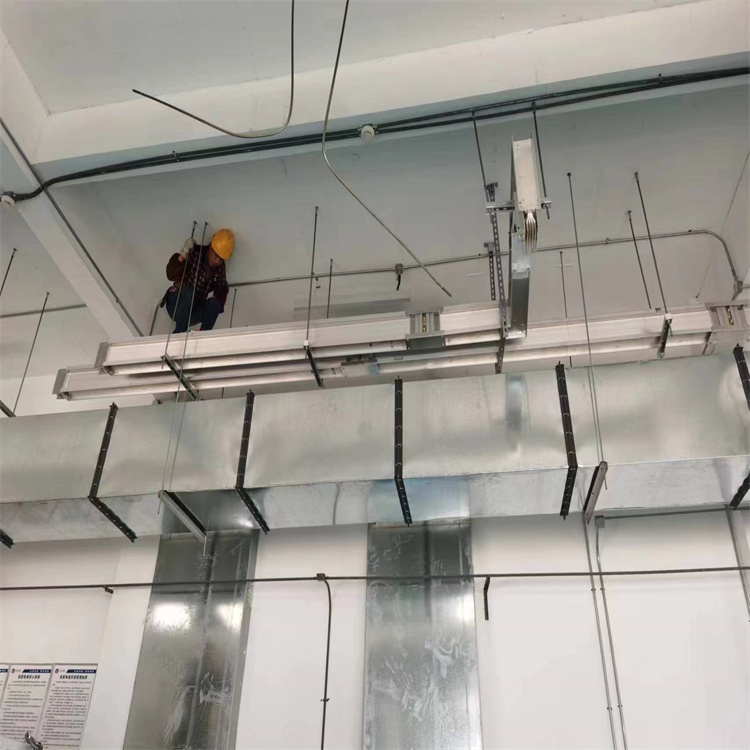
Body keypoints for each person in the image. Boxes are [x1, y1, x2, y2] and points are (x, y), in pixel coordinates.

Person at [163, 229, 233, 333]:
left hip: (192, 311)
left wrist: (216, 305)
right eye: (216, 255)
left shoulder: (220, 268)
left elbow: (221, 290)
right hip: (176, 304)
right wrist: (182, 255)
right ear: (211, 247)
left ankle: (203, 334)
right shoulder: (195, 252)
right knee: (189, 291)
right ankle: (178, 333)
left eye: (221, 259)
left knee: (214, 303)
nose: (218, 261)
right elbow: (170, 275)